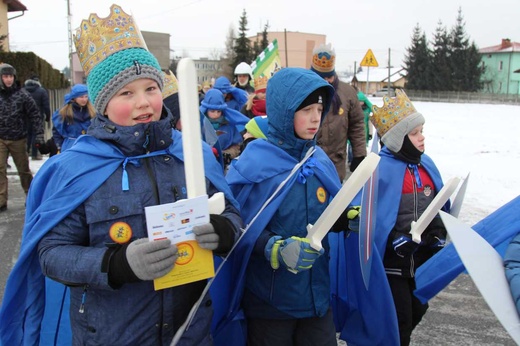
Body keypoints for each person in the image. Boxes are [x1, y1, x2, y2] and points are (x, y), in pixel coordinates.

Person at [0, 4, 242, 346]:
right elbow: (52, 254)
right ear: (102, 102)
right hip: (113, 334)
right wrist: (117, 263)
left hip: (191, 330)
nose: (143, 102)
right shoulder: (78, 166)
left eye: (151, 89)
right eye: (126, 93)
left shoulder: (189, 153)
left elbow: (230, 213)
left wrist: (223, 231)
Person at [217, 67, 350, 346]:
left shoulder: (318, 160)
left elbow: (325, 216)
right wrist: (273, 248)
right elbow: (237, 226)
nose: (316, 118)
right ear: (283, 112)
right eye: (306, 110)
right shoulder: (254, 164)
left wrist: (345, 218)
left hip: (316, 296)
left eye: (319, 108)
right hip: (271, 301)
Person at [370, 89, 449, 346]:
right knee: (400, 319)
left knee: (417, 311)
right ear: (396, 139)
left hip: (420, 260)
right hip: (391, 264)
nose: (422, 138)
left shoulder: (427, 165)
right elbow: (370, 218)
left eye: (422, 131)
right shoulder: (379, 169)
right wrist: (394, 239)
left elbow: (437, 206)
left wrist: (437, 233)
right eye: (414, 133)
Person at [310, 43, 367, 181]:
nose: (325, 81)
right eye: (320, 77)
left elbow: (357, 124)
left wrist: (359, 154)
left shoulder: (347, 92)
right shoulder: (303, 90)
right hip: (308, 162)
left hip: (335, 164)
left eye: (328, 77)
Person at [0, 63, 44, 212]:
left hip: (18, 138)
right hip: (0, 138)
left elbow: (35, 115)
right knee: (0, 169)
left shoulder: (22, 94)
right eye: (5, 76)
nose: (8, 80)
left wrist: (39, 134)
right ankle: (1, 200)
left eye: (10, 76)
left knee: (23, 169)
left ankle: (31, 196)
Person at [200, 88, 249, 168]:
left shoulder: (229, 125)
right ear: (206, 110)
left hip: (224, 166)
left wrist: (226, 155)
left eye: (219, 111)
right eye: (212, 111)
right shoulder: (199, 125)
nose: (216, 114)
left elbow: (236, 146)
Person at [52, 84, 97, 152]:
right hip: (70, 148)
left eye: (86, 96)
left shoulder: (92, 112)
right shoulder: (65, 112)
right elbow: (57, 131)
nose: (84, 99)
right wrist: (60, 146)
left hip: (89, 146)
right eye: (81, 97)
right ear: (74, 98)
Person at [23, 75, 51, 160]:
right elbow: (46, 106)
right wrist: (48, 117)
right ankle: (35, 154)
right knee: (36, 136)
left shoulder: (23, 91)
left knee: (27, 135)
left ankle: (25, 153)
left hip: (25, 117)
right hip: (38, 117)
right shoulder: (42, 91)